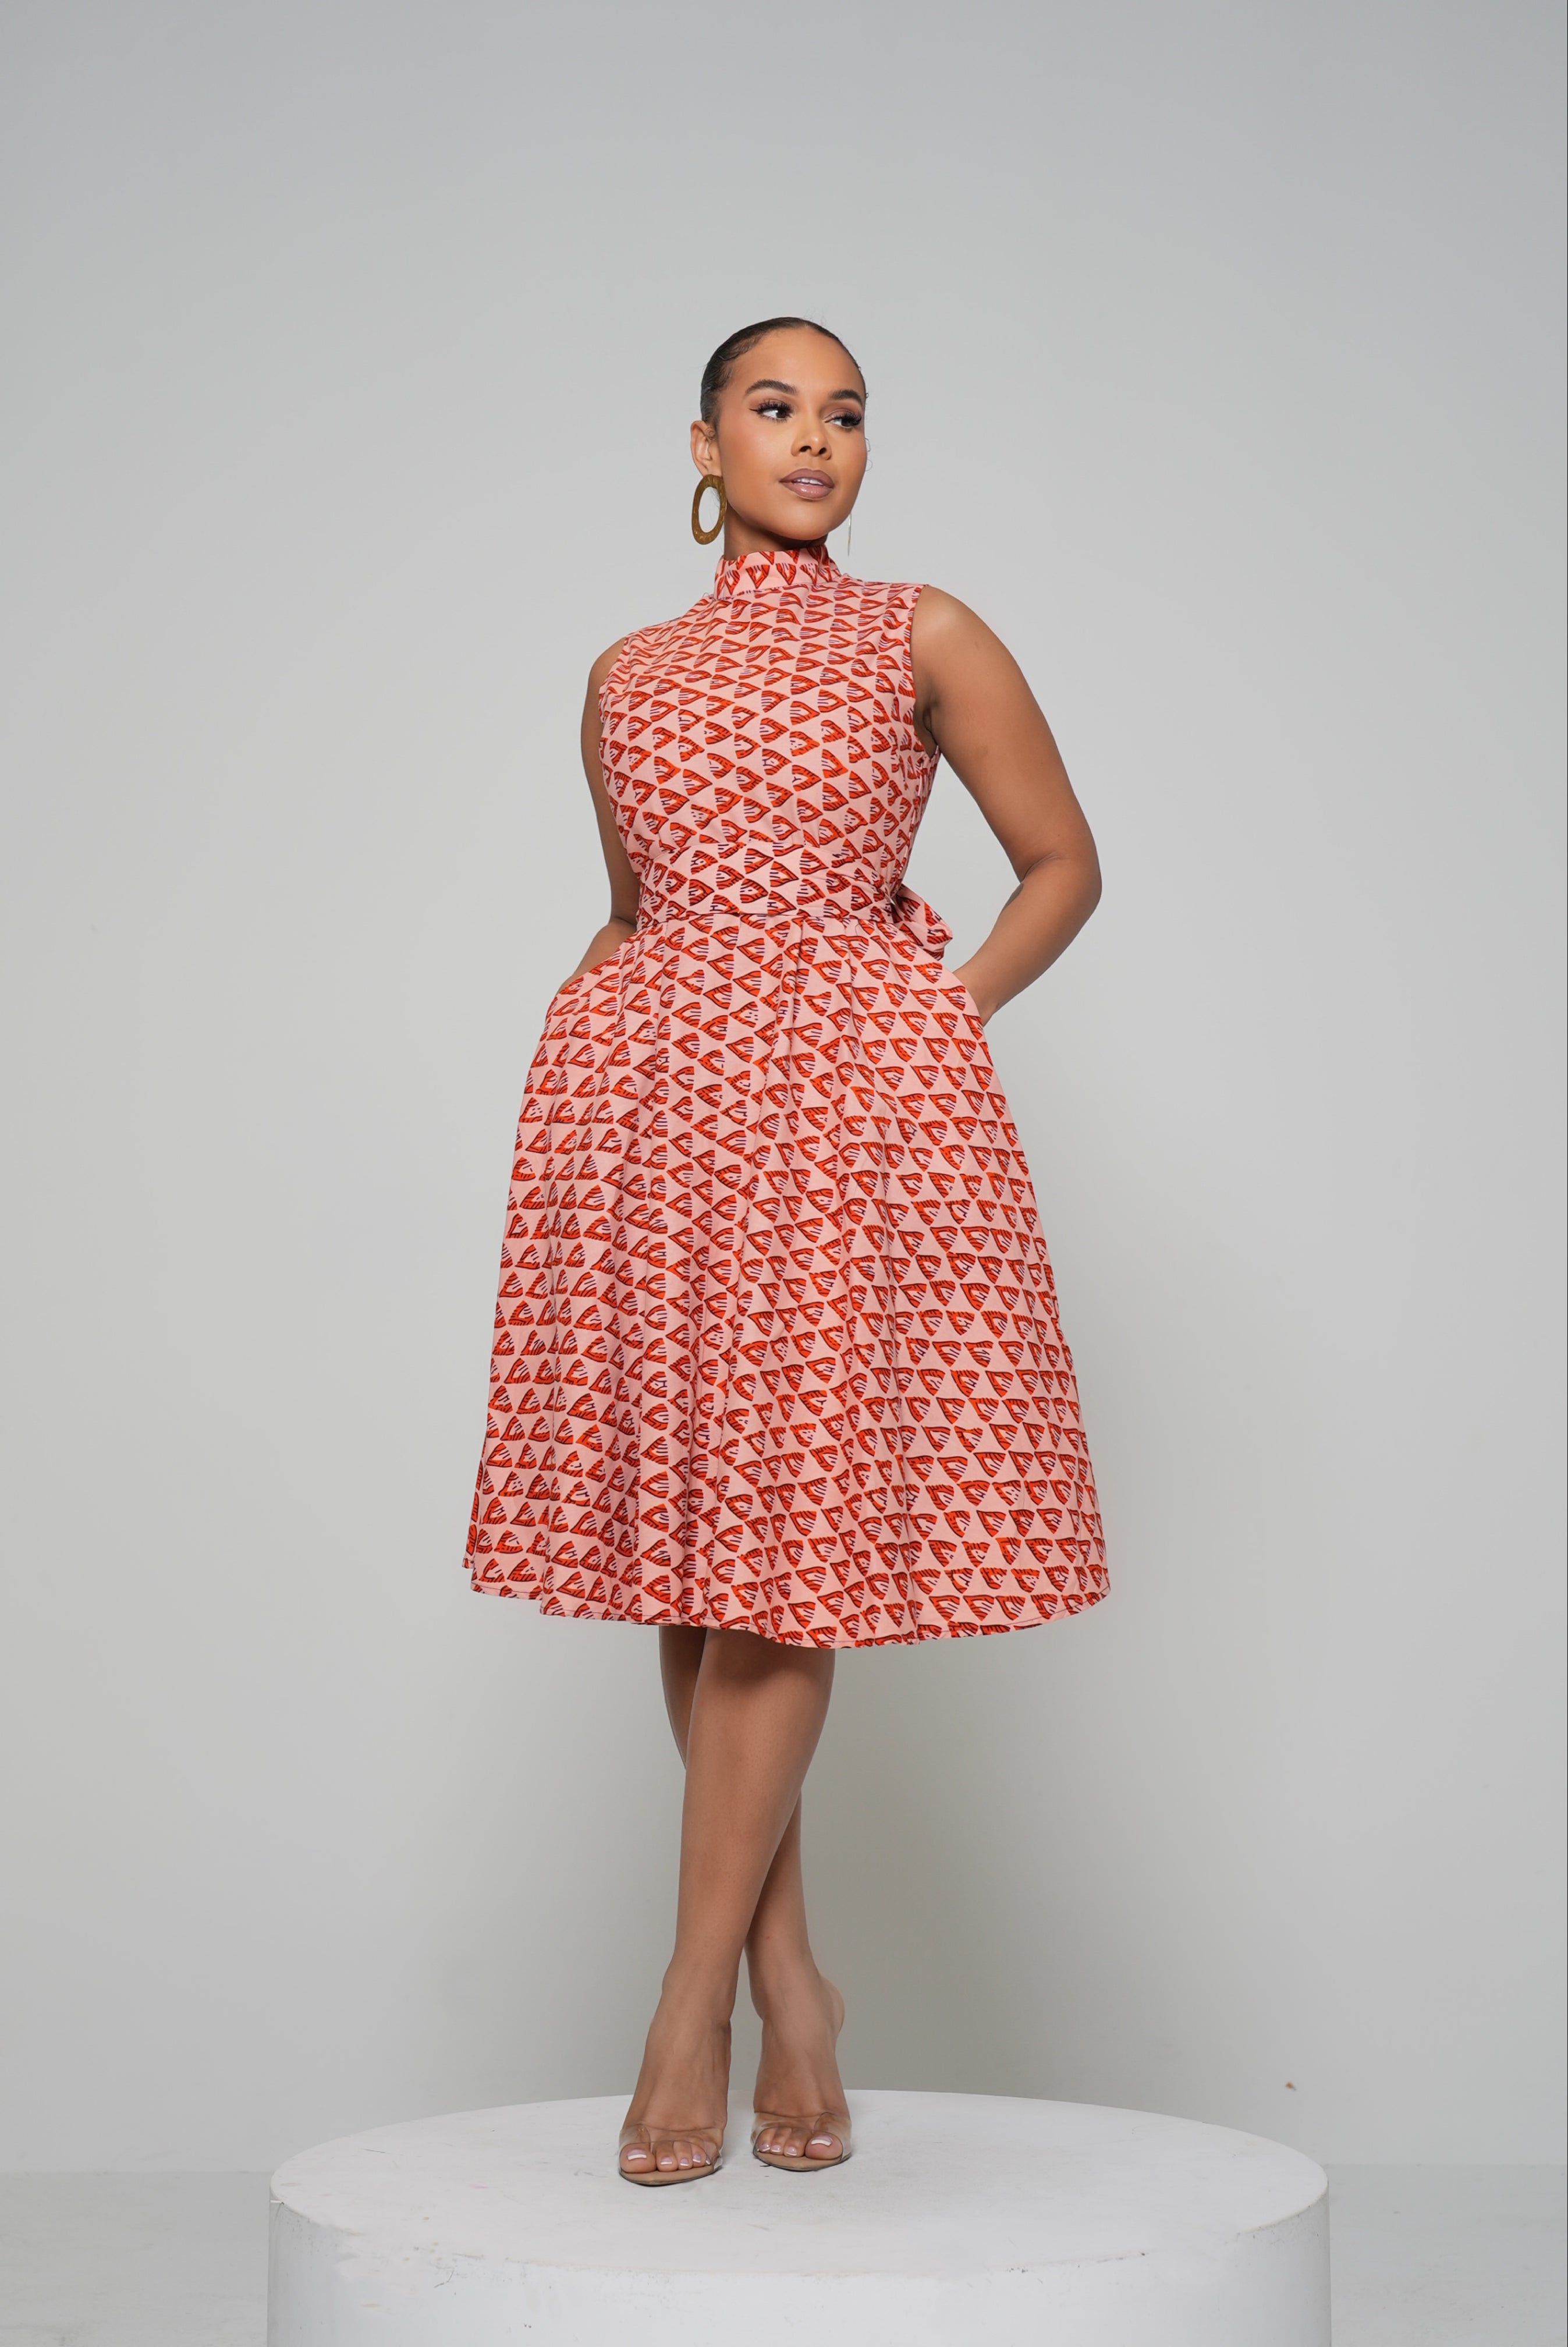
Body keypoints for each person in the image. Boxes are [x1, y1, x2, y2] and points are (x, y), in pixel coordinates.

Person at [464, 317, 1107, 2184]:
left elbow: (1062, 862)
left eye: (845, 415)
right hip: (652, 1119)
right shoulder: (626, 674)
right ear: (705, 444)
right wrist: (573, 1084)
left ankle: (692, 2004)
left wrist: (932, 1021)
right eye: (775, 409)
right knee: (697, 1553)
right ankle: (794, 1981)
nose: (815, 441)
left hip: (844, 1125)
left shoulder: (923, 631)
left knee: (782, 1559)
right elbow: (633, 913)